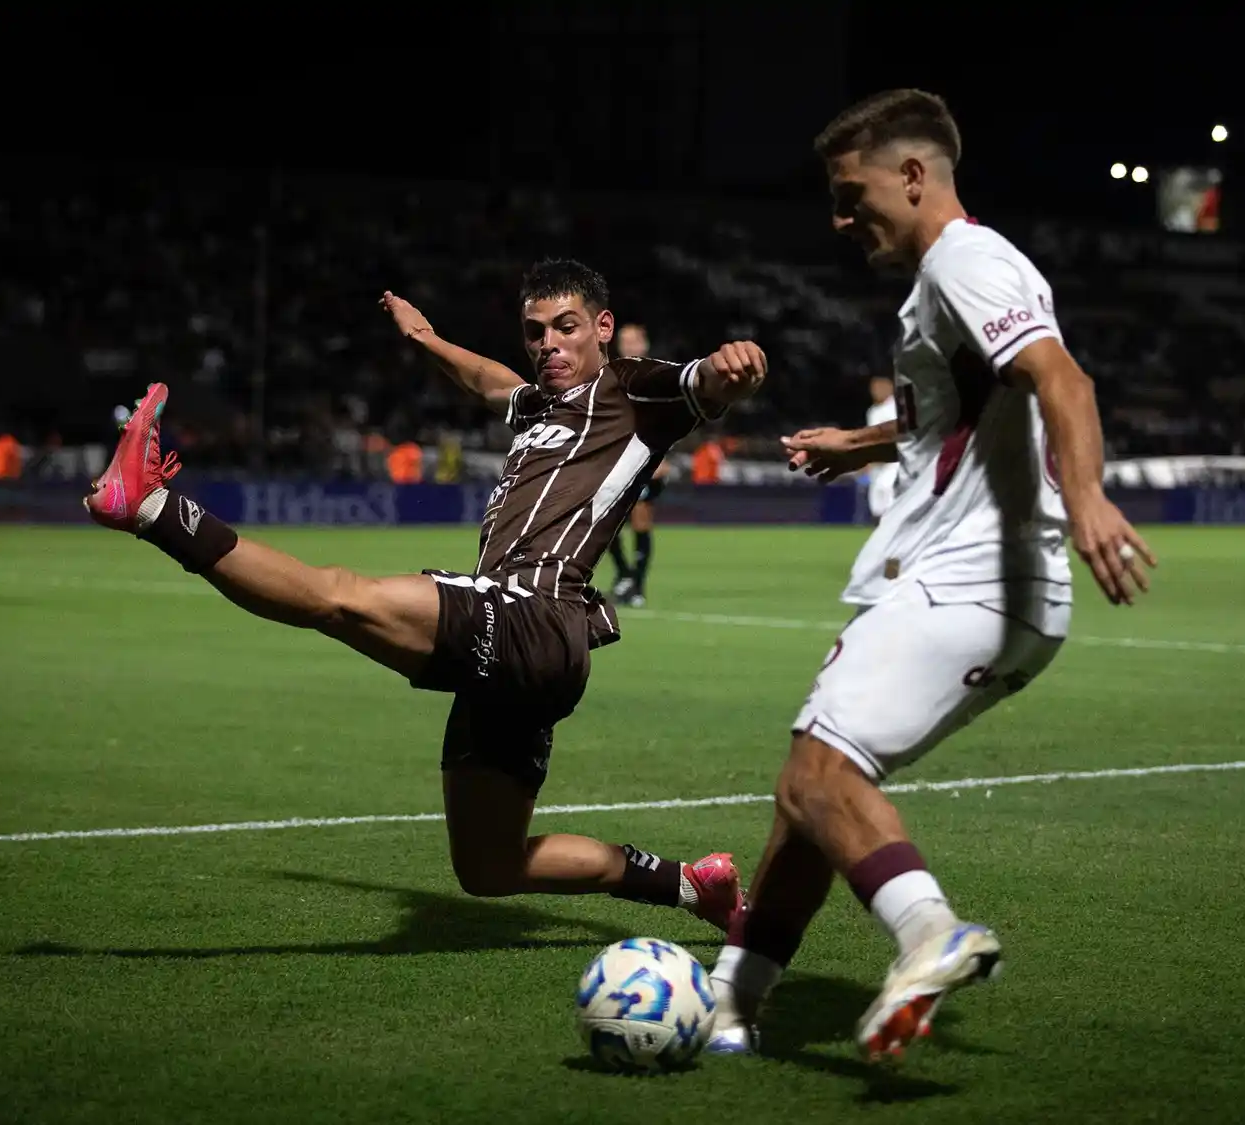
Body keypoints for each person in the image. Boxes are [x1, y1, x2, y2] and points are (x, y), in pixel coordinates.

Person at [84, 259, 767, 931]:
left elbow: (703, 381)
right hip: (521, 648)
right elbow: (488, 381)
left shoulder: (633, 389)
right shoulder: (539, 406)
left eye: (566, 327)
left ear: (603, 327)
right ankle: (692, 885)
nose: (549, 345)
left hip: (536, 616)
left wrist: (732, 366)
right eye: (535, 333)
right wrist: (424, 339)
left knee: (340, 597)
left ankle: (150, 506)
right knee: (489, 867)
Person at [704, 90, 1157, 1059]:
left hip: (971, 578)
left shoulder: (966, 260)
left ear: (913, 176)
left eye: (851, 196)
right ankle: (733, 1001)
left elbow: (1061, 378)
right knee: (808, 793)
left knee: (820, 773)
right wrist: (860, 442)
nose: (841, 219)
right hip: (981, 589)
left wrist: (1086, 498)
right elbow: (963, 410)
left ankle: (928, 933)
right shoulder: (941, 283)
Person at [606, 322, 668, 607]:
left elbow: (669, 419)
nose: (628, 345)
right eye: (624, 340)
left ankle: (637, 586)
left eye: (633, 340)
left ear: (644, 344)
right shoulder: (612, 376)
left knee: (641, 516)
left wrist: (662, 456)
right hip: (618, 462)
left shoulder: (657, 376)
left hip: (648, 460)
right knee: (607, 522)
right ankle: (624, 575)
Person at [861, 373, 899, 524]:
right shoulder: (873, 411)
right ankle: (879, 530)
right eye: (873, 388)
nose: (876, 391)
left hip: (894, 461)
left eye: (880, 387)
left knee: (886, 489)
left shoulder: (896, 407)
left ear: (890, 387)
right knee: (876, 500)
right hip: (877, 462)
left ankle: (893, 529)